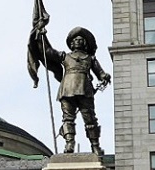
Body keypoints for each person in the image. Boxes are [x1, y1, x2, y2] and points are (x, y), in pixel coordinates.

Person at [32, 25, 111, 156]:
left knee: (90, 119)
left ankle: (95, 146)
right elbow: (48, 52)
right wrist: (42, 36)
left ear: (84, 43)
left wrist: (104, 76)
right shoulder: (65, 56)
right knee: (68, 118)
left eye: (80, 39)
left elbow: (100, 72)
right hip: (67, 88)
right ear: (71, 43)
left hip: (84, 89)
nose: (77, 41)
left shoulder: (90, 58)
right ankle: (69, 143)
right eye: (75, 40)